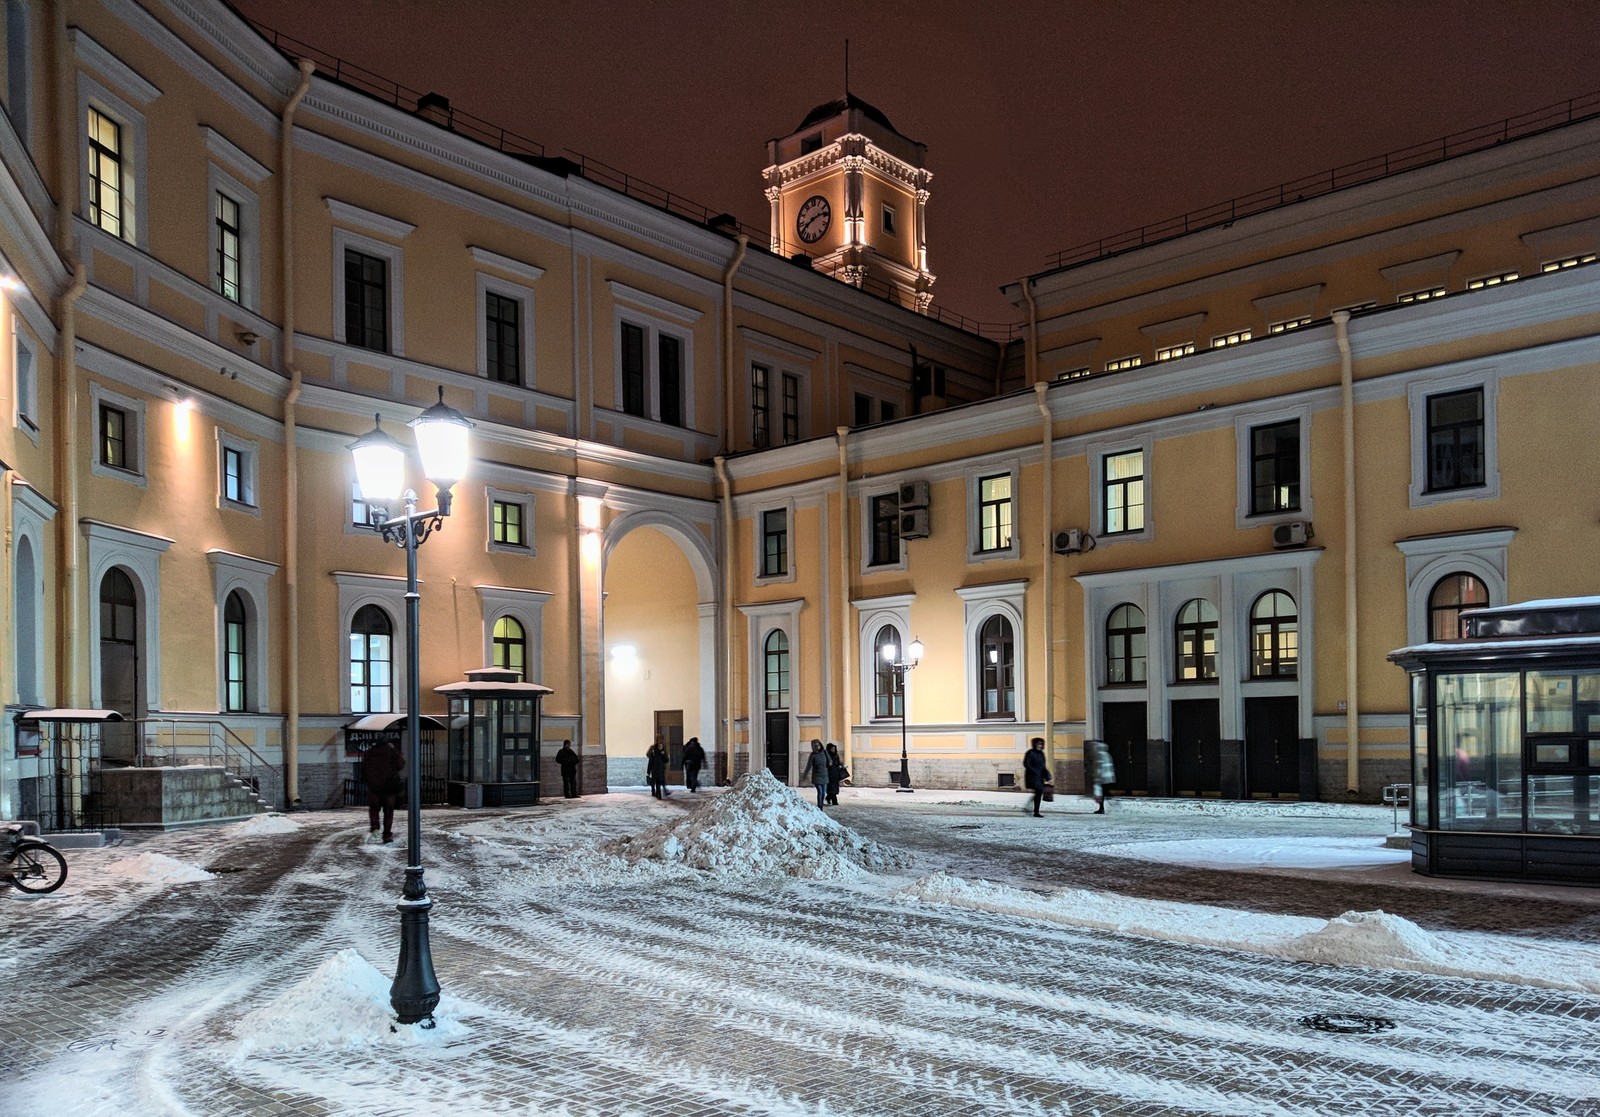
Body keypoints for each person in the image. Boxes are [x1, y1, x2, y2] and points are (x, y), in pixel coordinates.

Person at [361, 738, 404, 843]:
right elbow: (401, 764)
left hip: (374, 788)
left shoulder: (369, 753)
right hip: (389, 788)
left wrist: (369, 781)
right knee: (388, 812)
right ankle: (386, 835)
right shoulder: (392, 752)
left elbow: (363, 770)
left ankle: (375, 828)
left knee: (374, 809)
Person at [1023, 737, 1050, 818]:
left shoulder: (1041, 754)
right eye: (1038, 744)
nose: (1040, 745)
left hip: (1040, 776)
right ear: (1034, 744)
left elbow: (1043, 766)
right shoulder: (1030, 753)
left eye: (1041, 744)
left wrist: (1047, 775)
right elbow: (1026, 764)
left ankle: (1033, 810)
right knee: (1038, 792)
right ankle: (1035, 811)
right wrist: (1034, 771)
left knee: (1038, 793)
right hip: (1032, 776)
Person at [1087, 738, 1116, 814]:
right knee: (1104, 792)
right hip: (1107, 776)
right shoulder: (1106, 753)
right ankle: (1106, 804)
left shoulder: (1098, 754)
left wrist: (1096, 778)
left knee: (1101, 793)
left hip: (1102, 777)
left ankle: (1101, 808)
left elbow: (1098, 767)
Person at [803, 738, 830, 809]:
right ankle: (820, 807)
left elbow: (829, 760)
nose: (817, 747)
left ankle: (821, 805)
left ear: (820, 745)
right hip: (817, 776)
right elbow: (809, 766)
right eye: (815, 746)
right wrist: (804, 775)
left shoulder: (824, 752)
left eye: (818, 745)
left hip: (824, 775)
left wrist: (829, 763)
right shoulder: (813, 755)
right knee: (820, 792)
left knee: (824, 793)